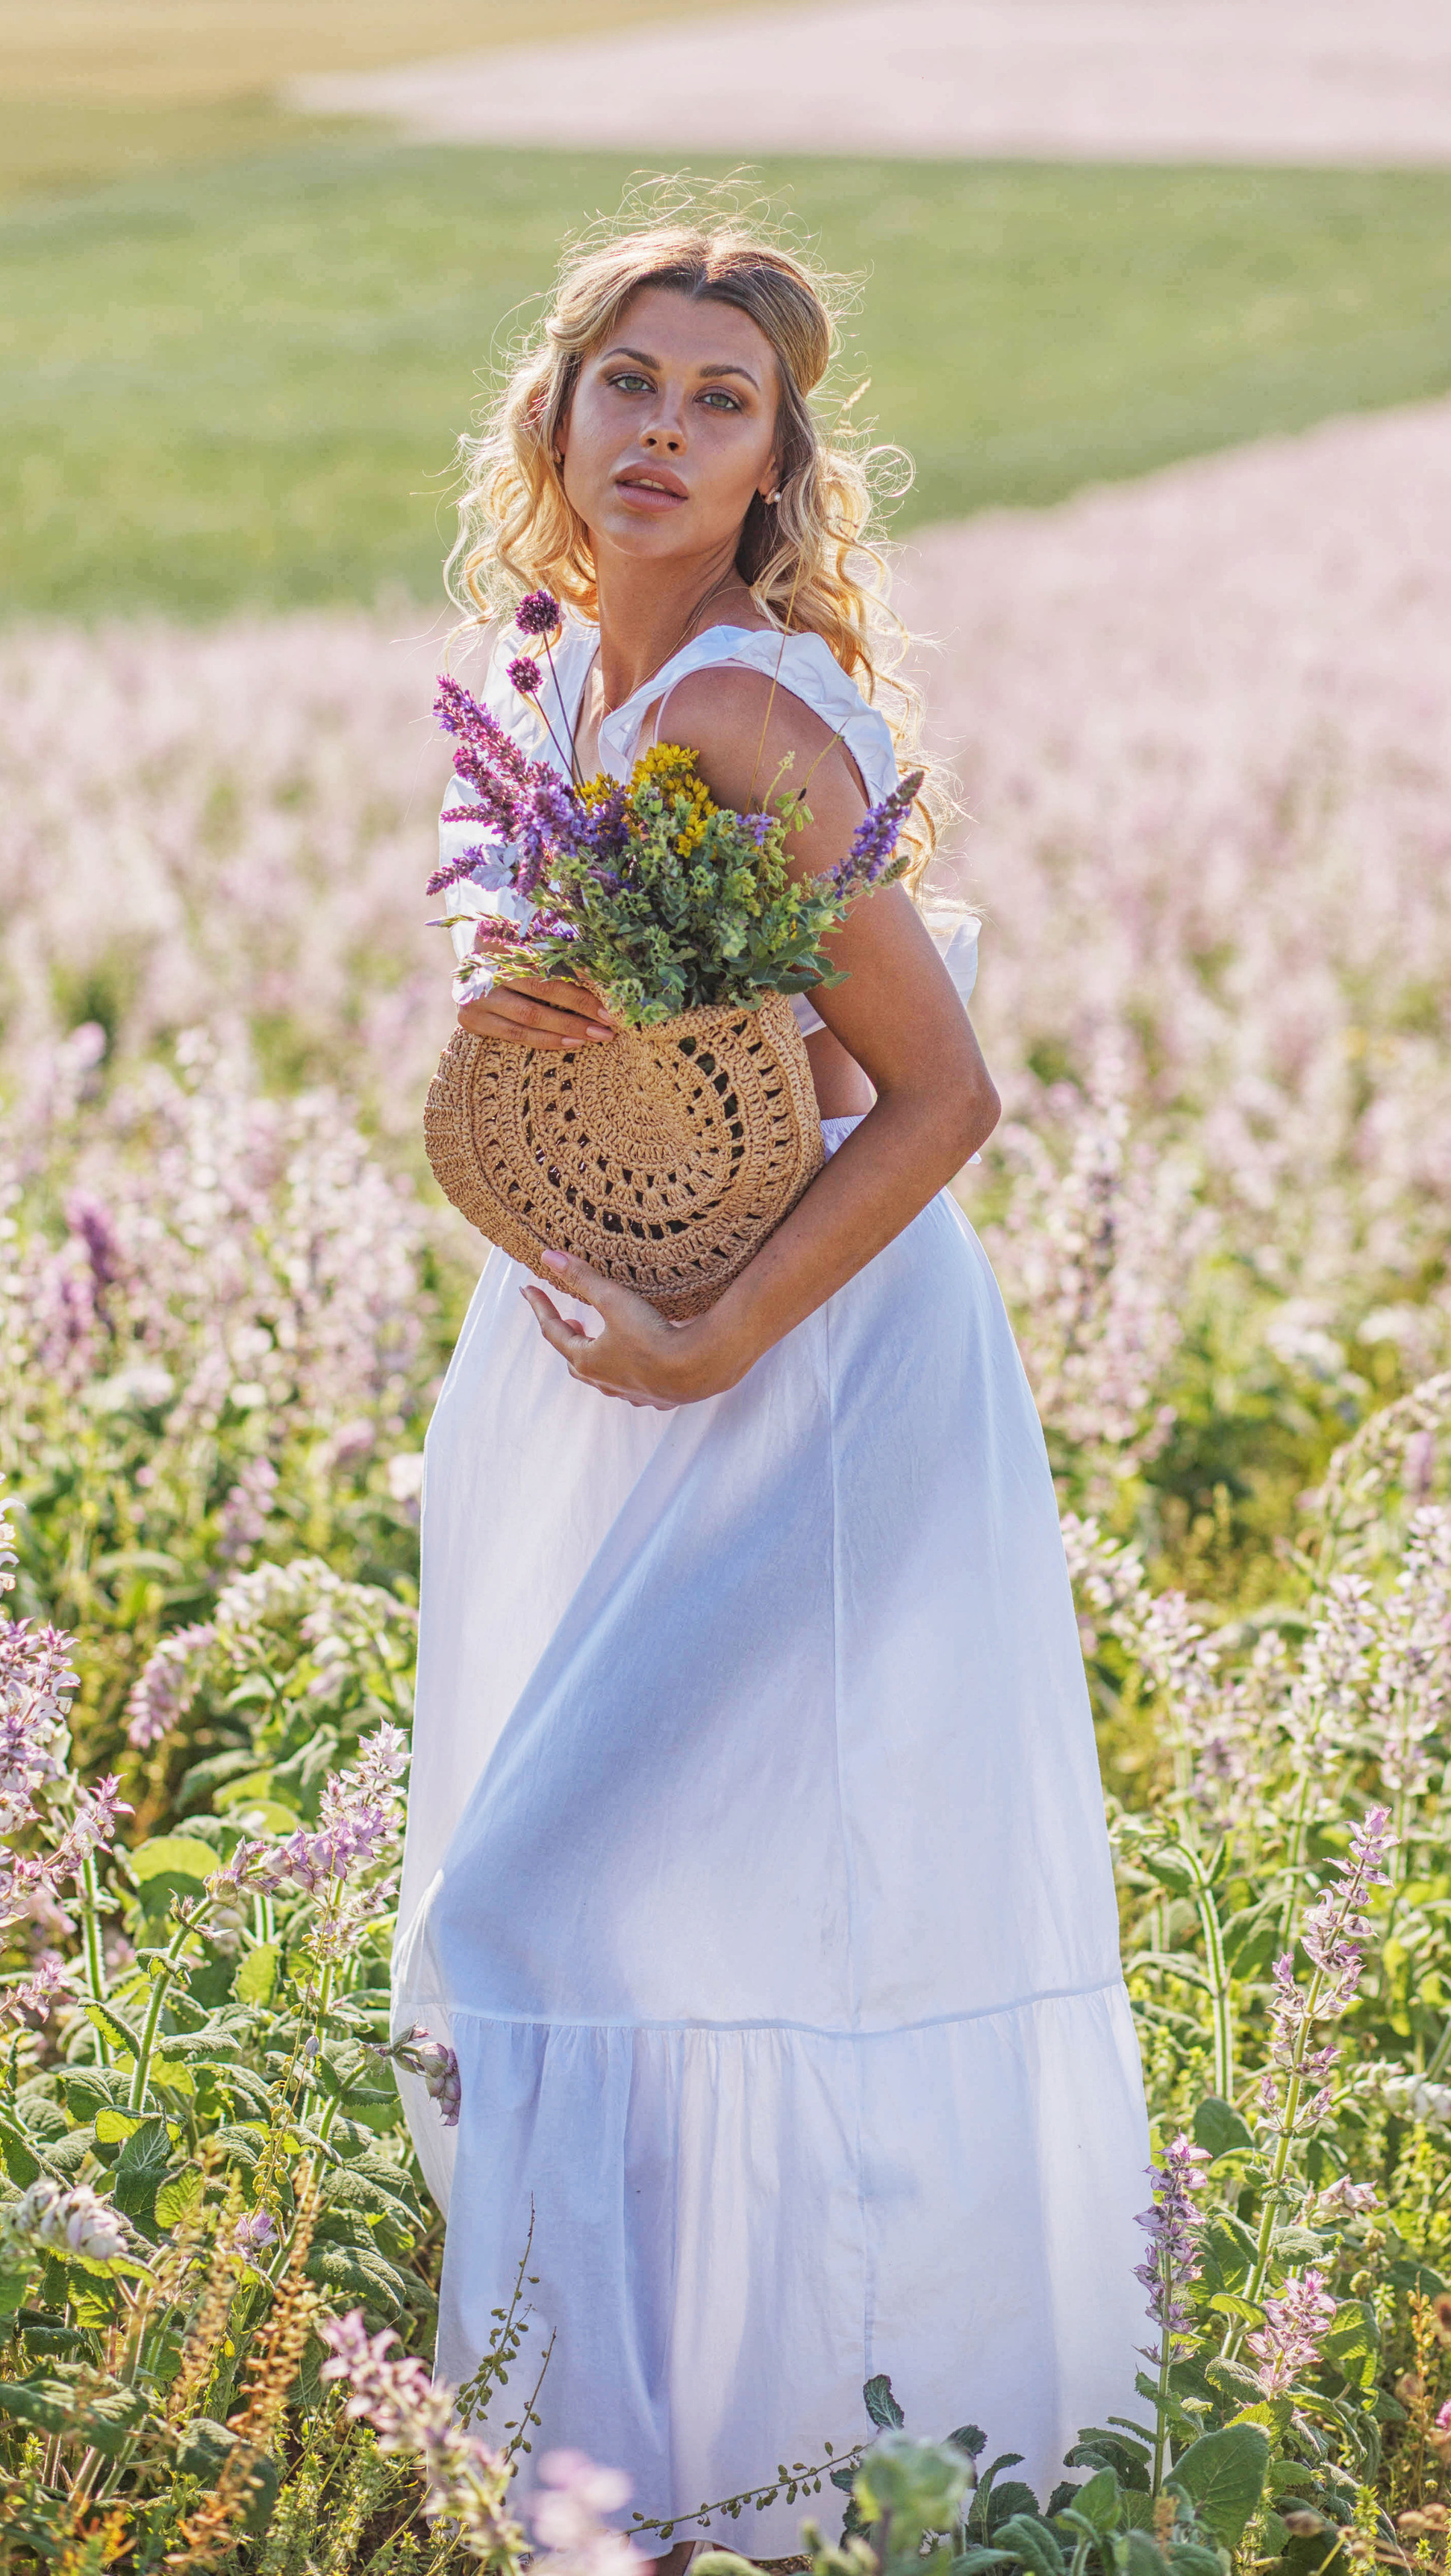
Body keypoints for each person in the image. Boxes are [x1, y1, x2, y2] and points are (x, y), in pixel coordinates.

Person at [391, 209, 1150, 2542]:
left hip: (803, 1361)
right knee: (653, 1916)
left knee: (551, 1910)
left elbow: (942, 1093)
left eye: (719, 402)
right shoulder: (547, 685)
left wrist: (722, 1331)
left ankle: (639, 2487)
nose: (663, 430)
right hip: (612, 1327)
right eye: (629, 381)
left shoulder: (738, 710)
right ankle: (682, 2475)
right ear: (555, 413)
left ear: (773, 462)